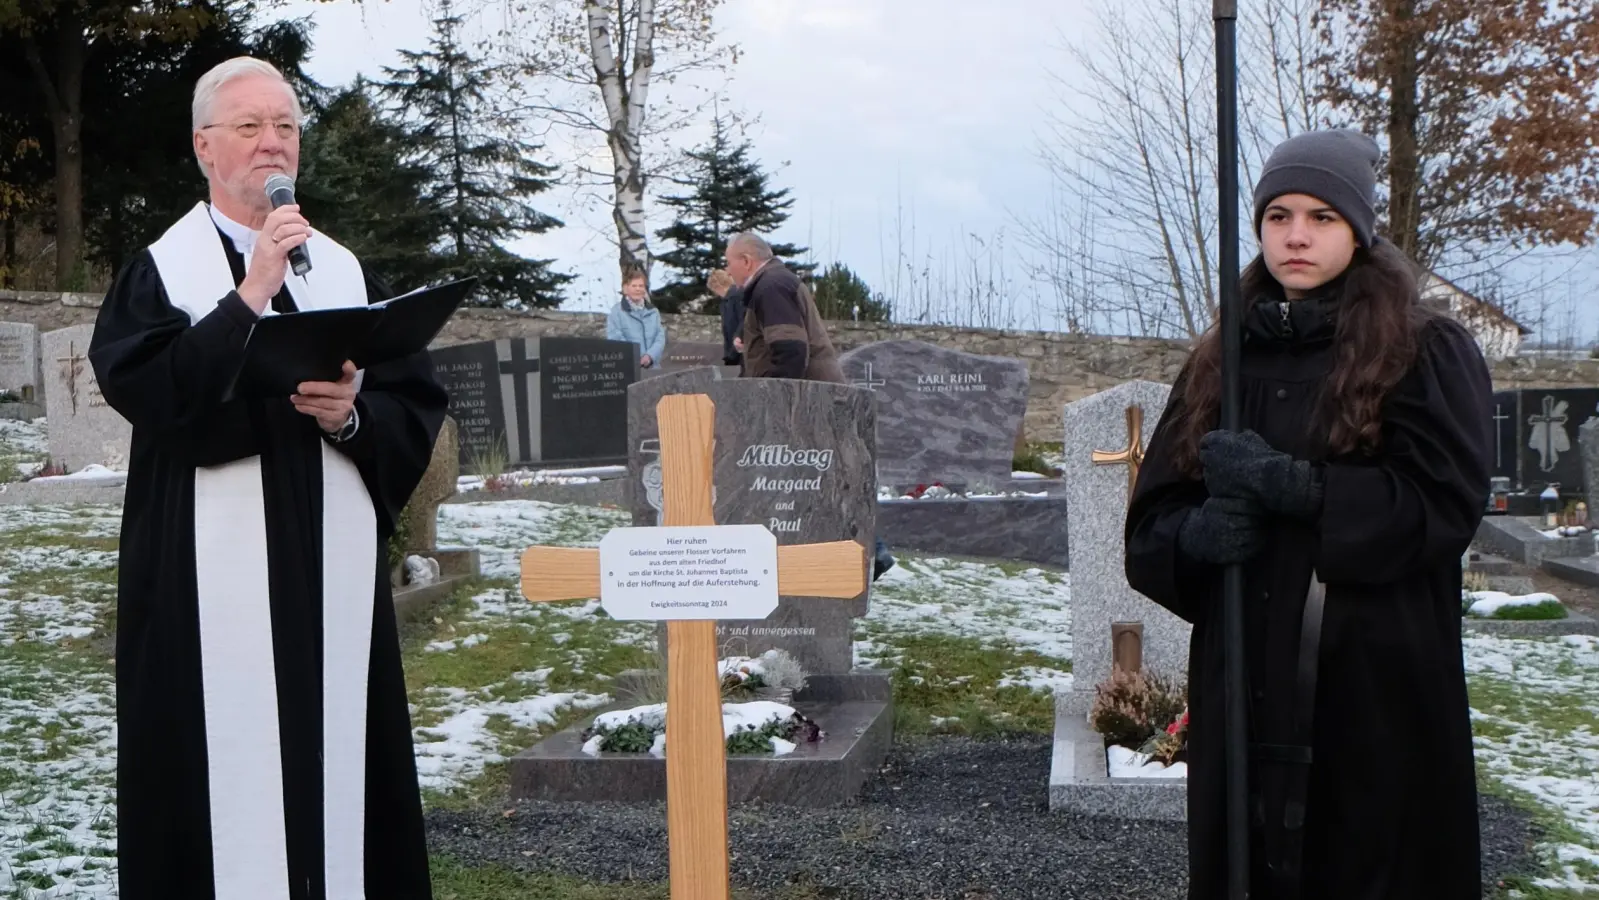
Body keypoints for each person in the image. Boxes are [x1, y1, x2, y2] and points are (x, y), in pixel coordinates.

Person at [87, 57, 445, 899]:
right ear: (205, 147)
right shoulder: (162, 272)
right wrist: (249, 296)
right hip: (205, 584)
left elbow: (412, 401)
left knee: (340, 774)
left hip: (330, 576)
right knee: (216, 782)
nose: (270, 143)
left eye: (284, 126)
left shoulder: (343, 269)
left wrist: (350, 413)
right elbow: (152, 394)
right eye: (248, 128)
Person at [1123, 128, 1491, 900]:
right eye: (1278, 214)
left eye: (1322, 216)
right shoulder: (1220, 358)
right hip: (1242, 681)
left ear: (1358, 230)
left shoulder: (1423, 350)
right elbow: (1152, 525)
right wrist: (1195, 537)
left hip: (1373, 686)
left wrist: (1301, 489)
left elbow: (1441, 506)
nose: (1296, 234)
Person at [721, 233, 844, 383]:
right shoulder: (772, 283)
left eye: (729, 263)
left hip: (811, 399)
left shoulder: (771, 287)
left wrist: (774, 399)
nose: (727, 271)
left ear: (746, 261)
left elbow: (790, 353)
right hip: (813, 395)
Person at [606, 265, 665, 369]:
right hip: (628, 368)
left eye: (641, 286)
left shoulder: (654, 312)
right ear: (625, 288)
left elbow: (660, 337)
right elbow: (615, 338)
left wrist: (650, 356)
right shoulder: (616, 312)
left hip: (653, 368)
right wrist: (637, 357)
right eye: (634, 286)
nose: (638, 289)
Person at [707, 266, 746, 369]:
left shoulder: (735, 296)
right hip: (735, 350)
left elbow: (740, 322)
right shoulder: (728, 300)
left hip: (739, 350)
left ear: (717, 286)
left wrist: (732, 351)